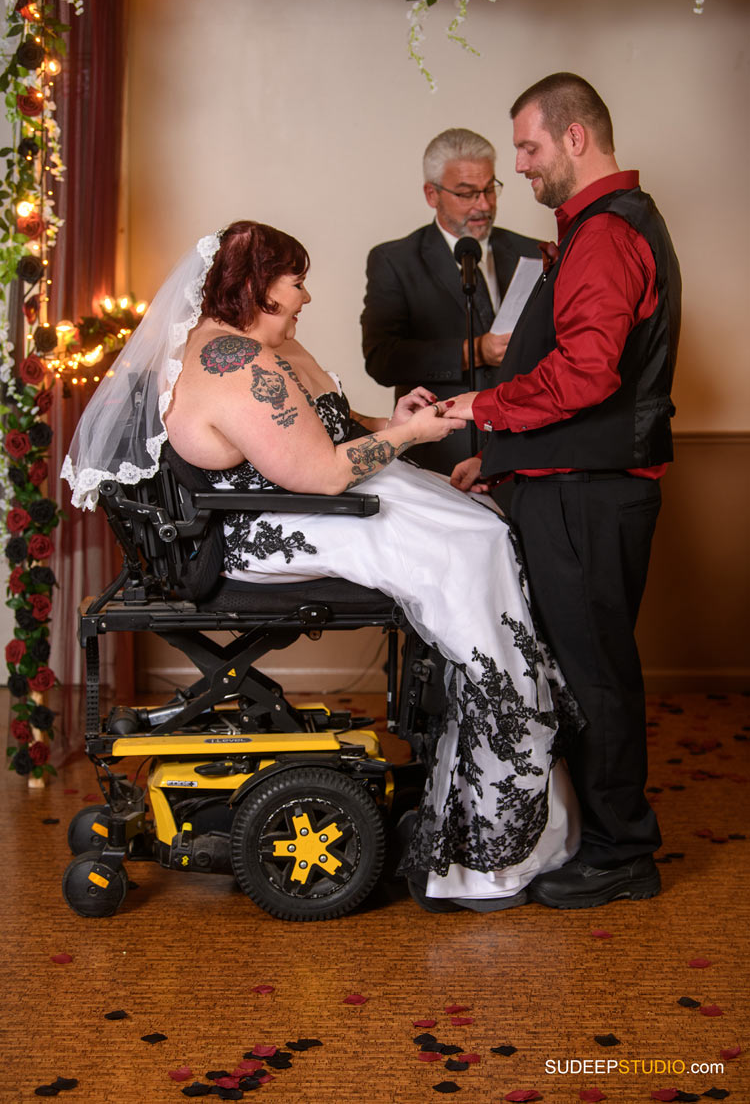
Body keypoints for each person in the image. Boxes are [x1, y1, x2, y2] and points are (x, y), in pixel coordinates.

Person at [63, 219, 582, 914]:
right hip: (272, 530)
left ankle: (491, 742)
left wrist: (390, 419)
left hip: (302, 500)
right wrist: (411, 437)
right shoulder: (235, 365)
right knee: (477, 543)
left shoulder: (256, 344)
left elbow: (326, 426)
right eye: (295, 280)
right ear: (257, 287)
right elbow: (329, 472)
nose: (306, 294)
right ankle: (497, 760)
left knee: (481, 526)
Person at [449, 74, 681, 909]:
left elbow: (586, 375)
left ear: (575, 138)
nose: (520, 164)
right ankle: (605, 835)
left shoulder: (609, 235)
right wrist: (500, 454)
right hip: (569, 484)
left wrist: (483, 406)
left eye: (529, 146)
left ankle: (624, 851)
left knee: (594, 675)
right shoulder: (593, 228)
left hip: (590, 493)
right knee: (584, 669)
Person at [361, 127, 540, 475]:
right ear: (432, 194)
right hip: (441, 457)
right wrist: (475, 351)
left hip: (526, 452)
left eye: (489, 189)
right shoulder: (395, 260)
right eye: (467, 194)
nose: (484, 205)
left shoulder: (532, 252)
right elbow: (382, 360)